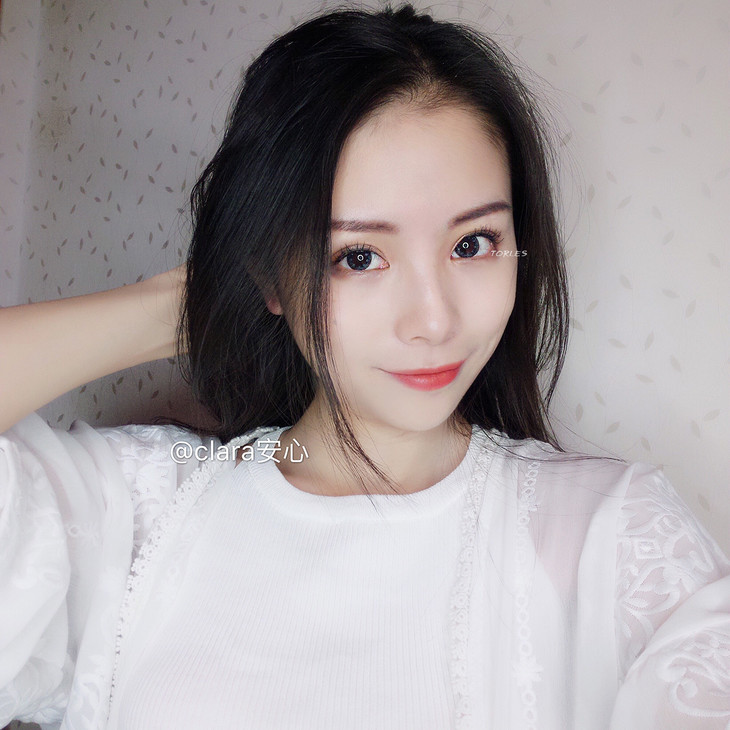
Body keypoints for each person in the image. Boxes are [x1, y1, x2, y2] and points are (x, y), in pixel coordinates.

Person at [1, 3, 729, 729]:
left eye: (472, 244)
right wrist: (183, 305)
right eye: (357, 257)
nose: (434, 321)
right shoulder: (139, 515)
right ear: (270, 274)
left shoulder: (617, 539)